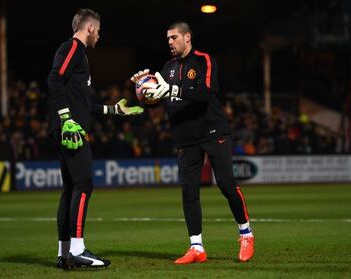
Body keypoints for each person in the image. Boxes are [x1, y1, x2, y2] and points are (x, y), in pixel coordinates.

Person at [131, 21, 254, 264]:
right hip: (185, 138)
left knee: (227, 185)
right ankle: (196, 247)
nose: (170, 42)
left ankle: (246, 234)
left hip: (213, 131)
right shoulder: (166, 68)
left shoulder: (204, 60)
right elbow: (159, 96)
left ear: (187, 37)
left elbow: (205, 93)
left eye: (174, 37)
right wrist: (143, 92)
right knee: (189, 192)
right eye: (167, 38)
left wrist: (172, 90)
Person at [48, 8, 143, 268]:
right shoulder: (72, 48)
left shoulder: (79, 55)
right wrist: (66, 118)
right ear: (90, 28)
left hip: (68, 126)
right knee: (84, 184)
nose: (99, 37)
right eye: (98, 31)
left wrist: (114, 110)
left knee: (70, 189)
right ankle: (78, 250)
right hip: (71, 129)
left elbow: (85, 103)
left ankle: (65, 253)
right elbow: (54, 78)